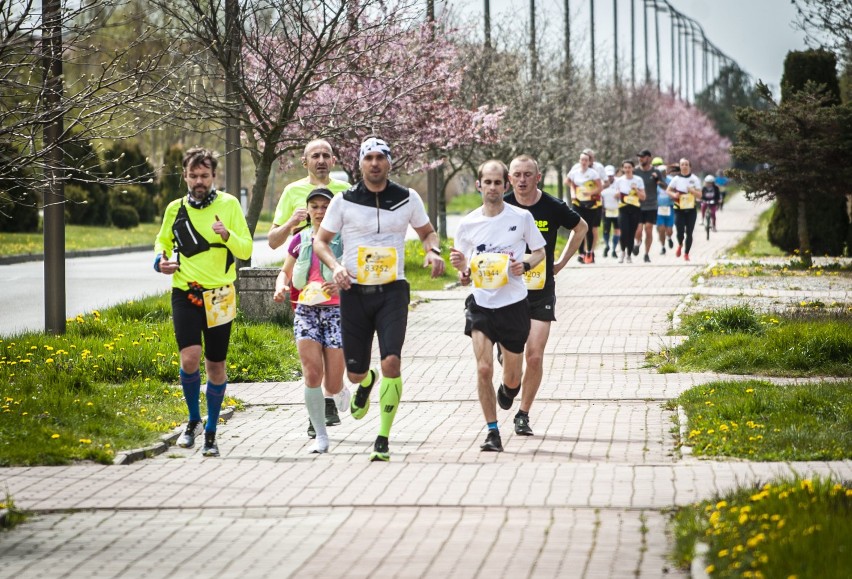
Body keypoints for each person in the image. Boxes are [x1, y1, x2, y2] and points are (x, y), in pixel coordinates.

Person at [313, 137, 445, 462]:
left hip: (392, 291)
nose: (374, 163)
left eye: (380, 157)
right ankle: (366, 380)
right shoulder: (343, 201)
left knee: (392, 362)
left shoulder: (407, 198)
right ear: (360, 163)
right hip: (354, 293)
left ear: (389, 162)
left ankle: (383, 439)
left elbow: (428, 232)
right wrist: (336, 267)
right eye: (368, 157)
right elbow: (321, 242)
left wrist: (433, 251)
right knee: (354, 375)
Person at [154, 147, 253, 457]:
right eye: (193, 175)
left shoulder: (229, 205)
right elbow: (163, 242)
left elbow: (246, 249)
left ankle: (211, 431)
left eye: (205, 176)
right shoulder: (175, 208)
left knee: (216, 366)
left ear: (214, 177)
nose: (199, 181)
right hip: (185, 291)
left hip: (220, 294)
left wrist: (226, 236)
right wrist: (160, 261)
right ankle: (193, 421)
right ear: (185, 176)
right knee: (189, 358)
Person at [449, 159, 547, 451]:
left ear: (506, 185)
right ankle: (492, 432)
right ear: (479, 185)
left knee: (512, 378)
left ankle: (509, 389)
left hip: (514, 304)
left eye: (497, 183)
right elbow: (464, 275)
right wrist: (462, 270)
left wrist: (523, 265)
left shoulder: (521, 218)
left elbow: (539, 252)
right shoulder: (467, 224)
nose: (492, 188)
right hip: (481, 304)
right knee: (482, 369)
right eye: (487, 182)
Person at [268, 139, 350, 430]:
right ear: (305, 162)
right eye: (315, 155)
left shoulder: (345, 193)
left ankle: (334, 393)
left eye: (326, 155)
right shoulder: (292, 192)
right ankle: (319, 413)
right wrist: (292, 221)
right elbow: (273, 241)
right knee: (312, 365)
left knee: (334, 367)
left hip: (336, 288)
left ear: (334, 160)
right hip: (303, 287)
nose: (321, 160)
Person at [504, 155, 586, 436]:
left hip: (541, 290)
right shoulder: (502, 206)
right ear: (510, 178)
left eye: (529, 174)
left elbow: (581, 227)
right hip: (508, 290)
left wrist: (561, 262)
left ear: (538, 177)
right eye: (518, 175)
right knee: (511, 351)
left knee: (535, 356)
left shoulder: (552, 206)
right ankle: (508, 377)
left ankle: (523, 414)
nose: (523, 180)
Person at [565, 151, 602, 263]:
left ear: (589, 161)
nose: (584, 162)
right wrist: (573, 194)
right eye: (582, 160)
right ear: (579, 161)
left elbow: (600, 187)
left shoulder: (593, 173)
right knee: (579, 228)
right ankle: (581, 253)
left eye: (586, 160)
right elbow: (569, 183)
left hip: (590, 204)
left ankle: (589, 252)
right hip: (578, 204)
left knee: (589, 228)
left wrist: (589, 193)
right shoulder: (574, 172)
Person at [666, 158, 702, 261]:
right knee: (679, 231)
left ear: (690, 166)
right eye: (682, 164)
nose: (684, 166)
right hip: (679, 209)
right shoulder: (676, 179)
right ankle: (680, 244)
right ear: (680, 166)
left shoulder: (695, 179)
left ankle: (686, 253)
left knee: (689, 232)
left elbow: (700, 195)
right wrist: (674, 194)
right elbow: (668, 191)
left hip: (691, 209)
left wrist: (692, 191)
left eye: (686, 164)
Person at [633, 149, 664, 263]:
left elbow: (664, 186)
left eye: (643, 156)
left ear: (648, 158)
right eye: (639, 157)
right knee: (638, 229)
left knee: (648, 229)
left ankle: (646, 253)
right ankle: (637, 243)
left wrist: (657, 180)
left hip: (651, 205)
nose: (640, 158)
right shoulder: (635, 171)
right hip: (638, 205)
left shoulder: (656, 171)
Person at [613, 160, 646, 263]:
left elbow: (643, 197)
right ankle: (622, 252)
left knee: (632, 233)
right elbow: (615, 195)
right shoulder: (619, 181)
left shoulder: (638, 180)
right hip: (623, 208)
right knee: (624, 231)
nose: (627, 169)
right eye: (625, 167)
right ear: (622, 169)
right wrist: (617, 194)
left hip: (635, 209)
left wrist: (636, 189)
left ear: (633, 168)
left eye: (629, 167)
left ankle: (629, 255)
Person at [653, 159, 675, 254]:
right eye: (660, 172)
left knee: (669, 230)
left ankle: (669, 237)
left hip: (669, 207)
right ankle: (662, 246)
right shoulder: (655, 181)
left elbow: (675, 191)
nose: (662, 174)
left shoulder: (671, 180)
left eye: (663, 172)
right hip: (659, 208)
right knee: (661, 229)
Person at [600, 165, 620, 258]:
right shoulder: (602, 183)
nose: (609, 177)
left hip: (617, 210)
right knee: (606, 230)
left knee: (617, 230)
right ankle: (607, 245)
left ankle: (614, 249)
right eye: (608, 176)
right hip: (606, 211)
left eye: (611, 176)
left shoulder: (618, 182)